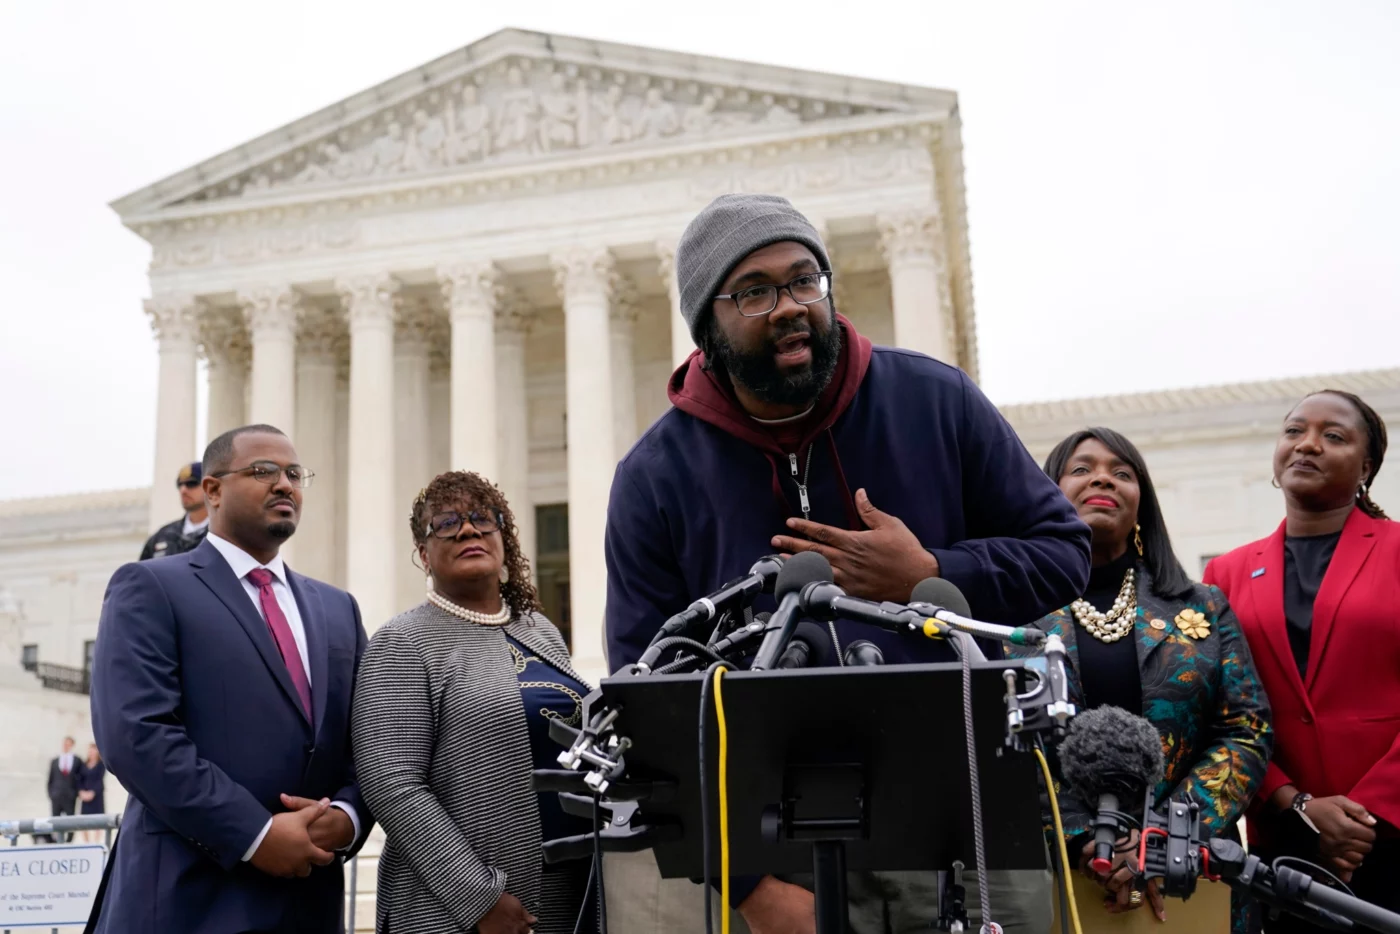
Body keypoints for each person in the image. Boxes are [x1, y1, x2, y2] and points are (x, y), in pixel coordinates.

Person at [603, 194, 1092, 934]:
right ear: (708, 324)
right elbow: (648, 701)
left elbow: (1063, 552)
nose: (791, 307)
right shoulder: (654, 477)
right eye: (756, 292)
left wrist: (929, 569)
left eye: (805, 280)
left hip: (968, 821)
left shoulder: (936, 400)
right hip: (780, 849)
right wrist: (748, 888)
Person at [89, 424, 371, 934]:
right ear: (213, 491)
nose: (284, 484)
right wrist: (256, 834)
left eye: (294, 473)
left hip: (309, 901)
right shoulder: (152, 586)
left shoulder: (338, 609)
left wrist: (349, 817)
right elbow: (136, 735)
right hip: (188, 901)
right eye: (263, 471)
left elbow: (370, 738)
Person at [1013, 428, 1272, 931]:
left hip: (1192, 874)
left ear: (1141, 503)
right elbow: (1000, 747)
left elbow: (1246, 728)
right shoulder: (1012, 611)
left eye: (1122, 472)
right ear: (1049, 493)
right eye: (1082, 469)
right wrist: (1085, 837)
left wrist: (1164, 836)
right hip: (1061, 876)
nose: (1102, 478)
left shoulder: (1203, 606)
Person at [353, 471, 595, 934]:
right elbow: (393, 786)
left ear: (503, 539)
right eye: (445, 523)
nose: (468, 530)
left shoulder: (539, 631)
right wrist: (478, 897)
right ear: (424, 555)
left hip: (570, 893)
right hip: (460, 911)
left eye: (483, 519)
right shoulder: (402, 643)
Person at [1205, 390, 1400, 929]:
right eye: (1294, 431)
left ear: (1366, 466)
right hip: (1286, 848)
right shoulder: (1226, 573)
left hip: (1392, 836)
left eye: (1333, 436)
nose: (1307, 444)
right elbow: (1220, 708)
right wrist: (1294, 803)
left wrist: (1366, 816)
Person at [140, 461, 211, 560]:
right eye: (179, 485)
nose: (183, 490)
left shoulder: (224, 534)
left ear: (210, 487)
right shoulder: (162, 537)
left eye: (191, 483)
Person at [46, 736, 83, 843]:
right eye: (65, 743)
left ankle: (69, 840)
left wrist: (76, 792)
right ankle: (56, 840)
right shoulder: (55, 761)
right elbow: (50, 779)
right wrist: (51, 793)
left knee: (71, 819)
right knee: (55, 819)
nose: (66, 745)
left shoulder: (77, 760)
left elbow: (80, 777)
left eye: (68, 743)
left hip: (70, 795)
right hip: (56, 795)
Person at [78, 743, 107, 843]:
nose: (91, 753)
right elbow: (80, 779)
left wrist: (93, 793)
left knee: (98, 819)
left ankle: (96, 841)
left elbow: (100, 780)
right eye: (90, 751)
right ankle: (87, 842)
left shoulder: (101, 765)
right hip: (85, 795)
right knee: (84, 820)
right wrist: (81, 792)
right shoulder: (84, 765)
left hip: (96, 795)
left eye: (93, 750)